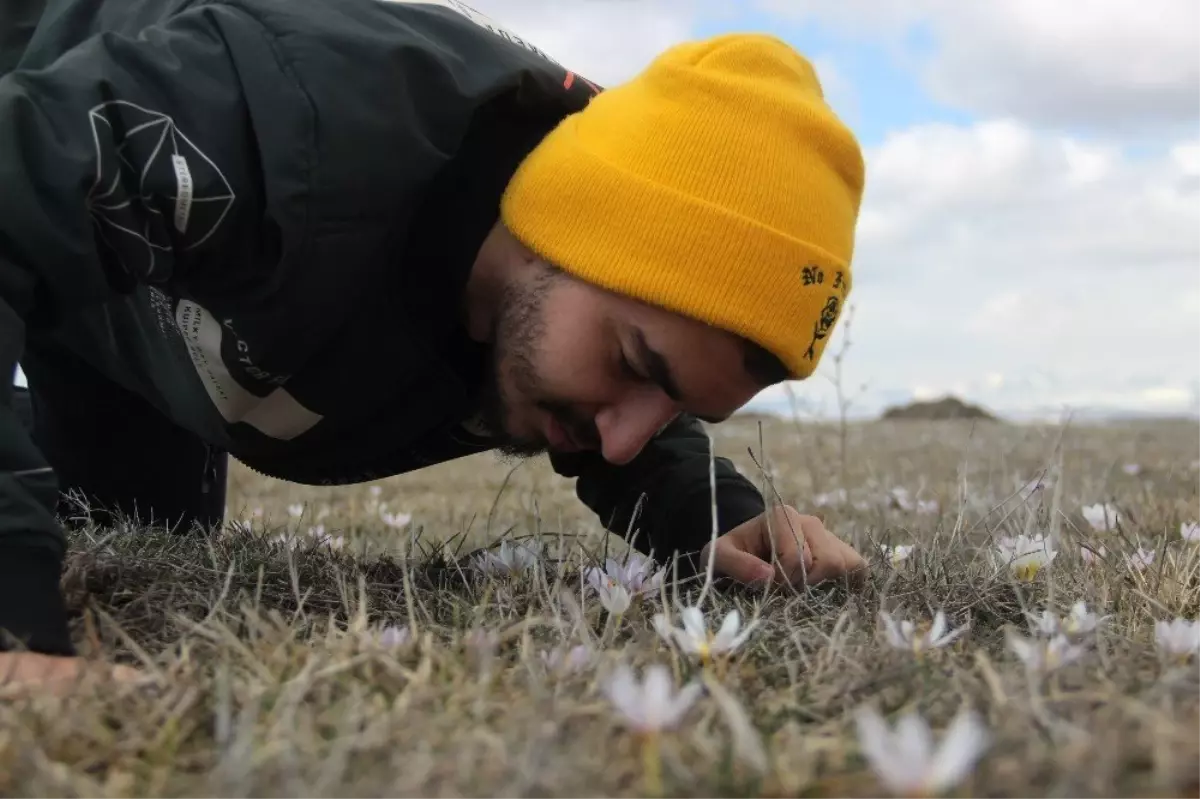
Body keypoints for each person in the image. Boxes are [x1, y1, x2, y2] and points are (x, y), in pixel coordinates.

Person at [0, 0, 868, 692]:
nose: (623, 438)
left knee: (134, 537)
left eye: (678, 405)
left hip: (138, 322)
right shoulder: (292, 117)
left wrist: (708, 511)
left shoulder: (572, 286)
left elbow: (640, 385)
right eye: (635, 367)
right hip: (38, 102)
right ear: (556, 232)